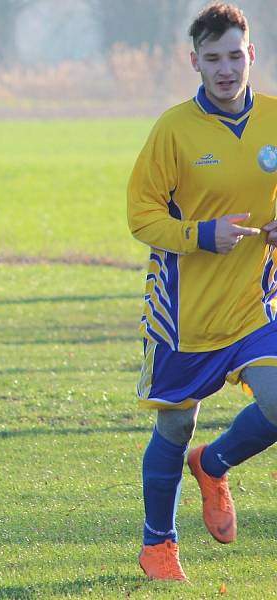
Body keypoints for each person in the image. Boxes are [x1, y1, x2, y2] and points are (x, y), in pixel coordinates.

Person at [128, 2, 277, 581]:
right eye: (212, 58)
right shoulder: (172, 130)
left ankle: (213, 465)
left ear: (252, 55)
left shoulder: (272, 118)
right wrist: (199, 234)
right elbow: (141, 217)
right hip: (184, 316)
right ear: (194, 61)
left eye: (235, 55)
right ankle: (157, 546)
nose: (225, 68)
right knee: (173, 427)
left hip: (254, 306)